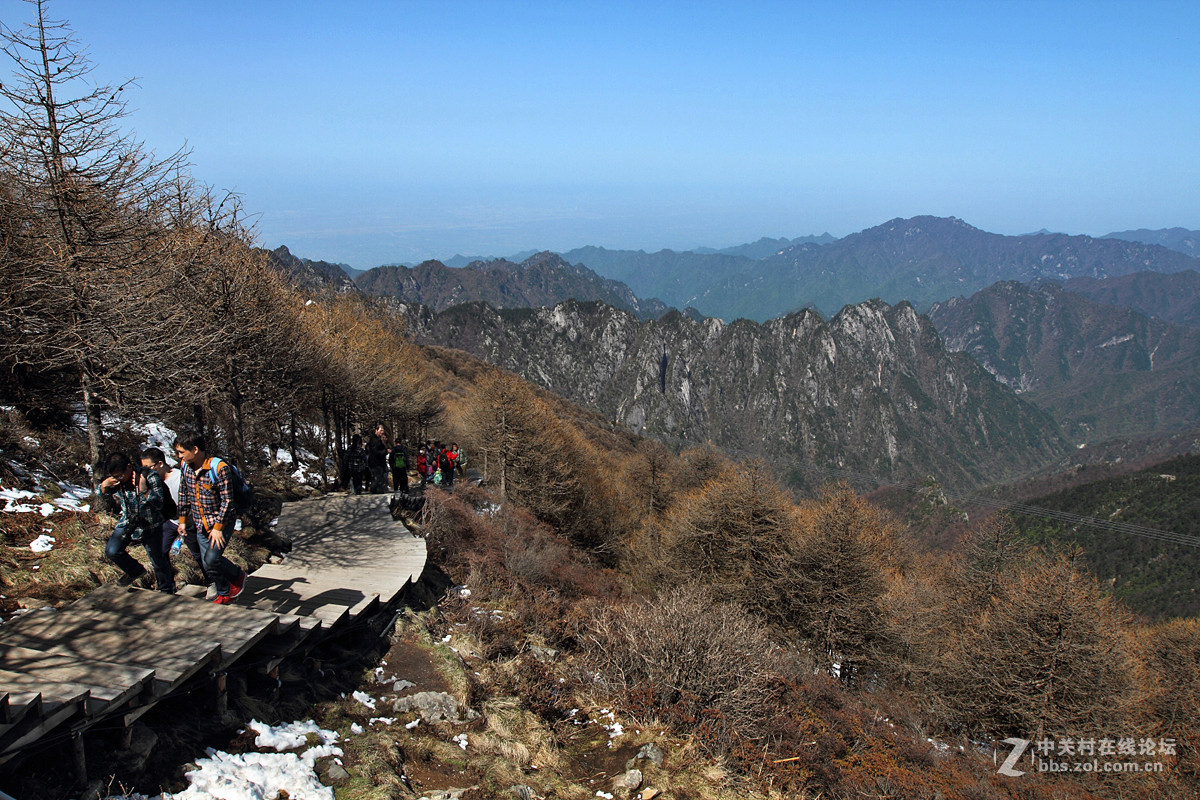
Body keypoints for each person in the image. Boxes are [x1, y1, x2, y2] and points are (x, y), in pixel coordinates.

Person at [173, 430, 247, 605]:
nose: (179, 456)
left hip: (221, 522)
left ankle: (238, 576)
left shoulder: (219, 468)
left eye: (181, 452)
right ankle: (224, 592)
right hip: (200, 522)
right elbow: (184, 493)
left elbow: (228, 501)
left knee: (212, 559)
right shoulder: (185, 467)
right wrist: (182, 521)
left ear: (195, 449)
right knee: (208, 565)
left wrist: (218, 528)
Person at [99, 451, 174, 593]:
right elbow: (102, 494)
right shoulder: (117, 480)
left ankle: (167, 591)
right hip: (129, 521)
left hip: (151, 524)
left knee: (159, 562)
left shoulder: (149, 476)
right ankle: (135, 570)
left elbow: (160, 503)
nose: (119, 479)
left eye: (120, 475)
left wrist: (145, 491)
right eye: (115, 476)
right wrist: (104, 486)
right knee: (112, 551)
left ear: (128, 467)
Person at [141, 447, 206, 581]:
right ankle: (166, 585)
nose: (146, 473)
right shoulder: (151, 483)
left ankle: (212, 581)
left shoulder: (180, 477)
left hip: (188, 521)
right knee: (160, 552)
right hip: (169, 522)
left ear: (160, 464)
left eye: (148, 468)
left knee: (199, 554)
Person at [366, 423, 389, 494]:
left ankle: (377, 491)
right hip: (375, 463)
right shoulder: (374, 440)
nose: (382, 432)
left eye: (383, 430)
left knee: (379, 478)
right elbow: (375, 452)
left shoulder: (379, 440)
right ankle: (376, 492)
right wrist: (385, 451)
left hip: (379, 463)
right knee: (377, 479)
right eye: (381, 430)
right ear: (376, 430)